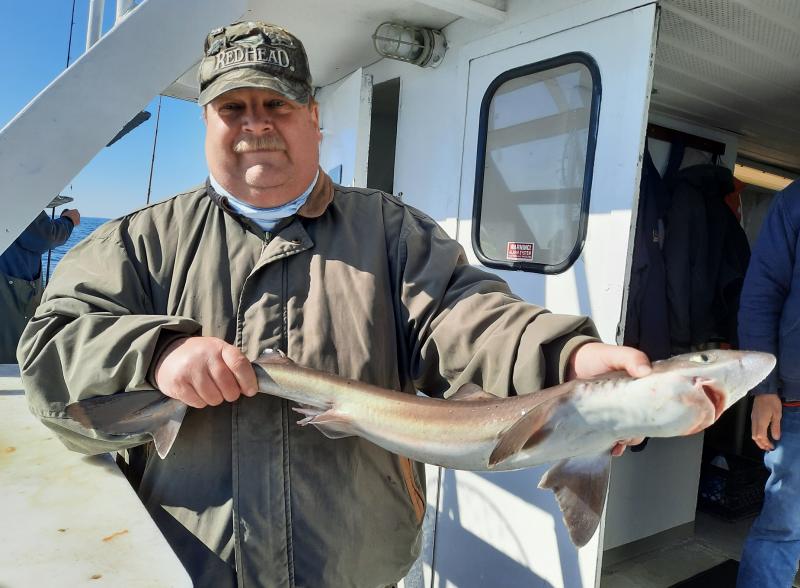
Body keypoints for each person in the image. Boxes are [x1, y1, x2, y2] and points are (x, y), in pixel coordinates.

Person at [18, 21, 649, 588]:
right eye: (233, 107)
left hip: (356, 570)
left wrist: (566, 356)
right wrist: (155, 352)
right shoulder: (137, 241)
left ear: (313, 117)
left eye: (277, 104)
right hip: (187, 567)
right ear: (206, 121)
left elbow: (468, 316)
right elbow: (50, 350)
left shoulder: (395, 234)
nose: (256, 123)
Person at [737, 178, 800, 587]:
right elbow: (761, 294)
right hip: (796, 402)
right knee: (784, 527)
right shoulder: (795, 200)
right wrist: (764, 389)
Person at [0, 206, 80, 362]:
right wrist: (68, 220)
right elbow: (45, 236)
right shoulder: (19, 194)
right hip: (14, 287)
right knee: (17, 352)